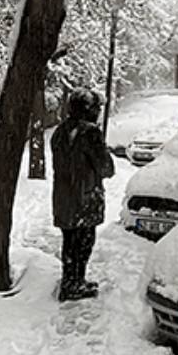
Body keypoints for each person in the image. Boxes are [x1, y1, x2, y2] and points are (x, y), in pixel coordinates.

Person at [51, 88, 115, 301]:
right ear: (88, 109)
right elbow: (107, 168)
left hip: (64, 198)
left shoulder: (60, 132)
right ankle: (75, 284)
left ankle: (71, 280)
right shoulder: (90, 133)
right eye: (96, 108)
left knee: (69, 243)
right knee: (84, 243)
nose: (98, 111)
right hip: (85, 198)